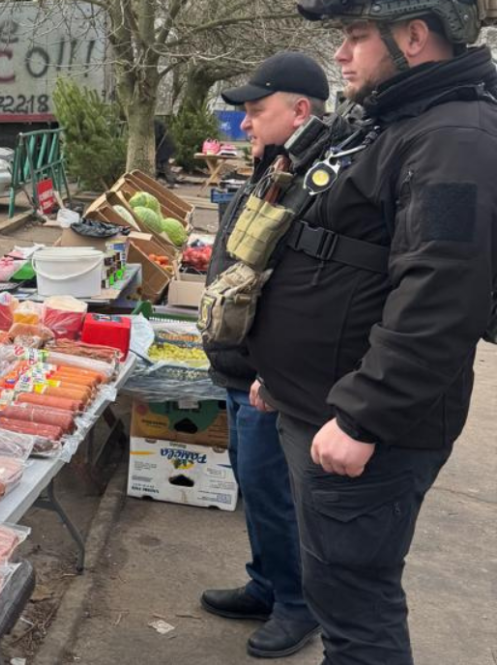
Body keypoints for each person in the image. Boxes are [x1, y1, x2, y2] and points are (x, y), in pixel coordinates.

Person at [247, 3, 497, 663]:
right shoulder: (394, 120)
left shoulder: (456, 139)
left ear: (414, 36)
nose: (343, 54)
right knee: (336, 597)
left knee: (358, 615)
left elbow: (440, 295)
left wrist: (364, 416)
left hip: (368, 430)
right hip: (321, 405)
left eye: (357, 37)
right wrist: (283, 376)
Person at [201, 52, 328, 659]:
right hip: (238, 365)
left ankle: (298, 605)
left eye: (257, 111)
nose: (245, 123)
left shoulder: (313, 175)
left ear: (300, 110)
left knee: (274, 491)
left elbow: (301, 287)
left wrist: (270, 370)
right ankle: (266, 583)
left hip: (263, 375)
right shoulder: (276, 165)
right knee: (254, 485)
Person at [154, 119, 176, 185]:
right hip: (167, 146)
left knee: (164, 164)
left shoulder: (155, 123)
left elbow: (156, 136)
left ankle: (171, 181)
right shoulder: (158, 123)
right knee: (162, 163)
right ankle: (170, 180)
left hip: (164, 147)